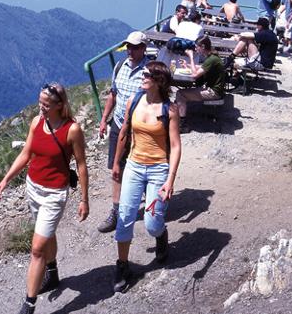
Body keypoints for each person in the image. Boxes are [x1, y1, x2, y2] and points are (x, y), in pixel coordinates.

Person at [0, 83, 88, 314]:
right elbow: (27, 153)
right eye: (40, 102)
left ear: (60, 105)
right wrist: (6, 179)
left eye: (46, 104)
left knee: (37, 248)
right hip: (32, 187)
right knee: (45, 235)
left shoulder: (72, 130)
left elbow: (81, 165)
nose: (41, 107)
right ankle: (53, 271)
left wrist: (84, 199)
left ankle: (28, 307)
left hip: (54, 193)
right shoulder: (37, 121)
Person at [111, 61, 182, 292]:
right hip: (133, 165)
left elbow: (175, 145)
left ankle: (160, 235)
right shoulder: (134, 101)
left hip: (158, 169)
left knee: (152, 223)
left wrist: (170, 179)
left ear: (159, 81)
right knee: (125, 216)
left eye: (147, 75)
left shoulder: (169, 110)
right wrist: (116, 164)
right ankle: (122, 266)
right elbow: (123, 133)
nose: (142, 77)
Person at [96, 31, 148, 234]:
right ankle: (116, 212)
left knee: (139, 169)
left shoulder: (149, 71)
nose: (130, 50)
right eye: (128, 46)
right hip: (118, 124)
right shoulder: (120, 67)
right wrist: (103, 120)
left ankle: (146, 205)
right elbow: (113, 95)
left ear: (144, 48)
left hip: (139, 129)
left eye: (134, 47)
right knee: (116, 169)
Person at [174, 36, 226, 118]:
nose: (195, 49)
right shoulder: (212, 57)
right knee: (182, 93)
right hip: (216, 90)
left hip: (213, 93)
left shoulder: (211, 59)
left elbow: (195, 75)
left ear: (202, 47)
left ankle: (182, 123)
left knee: (180, 94)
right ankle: (180, 110)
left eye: (196, 47)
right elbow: (201, 67)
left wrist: (191, 57)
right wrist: (187, 65)